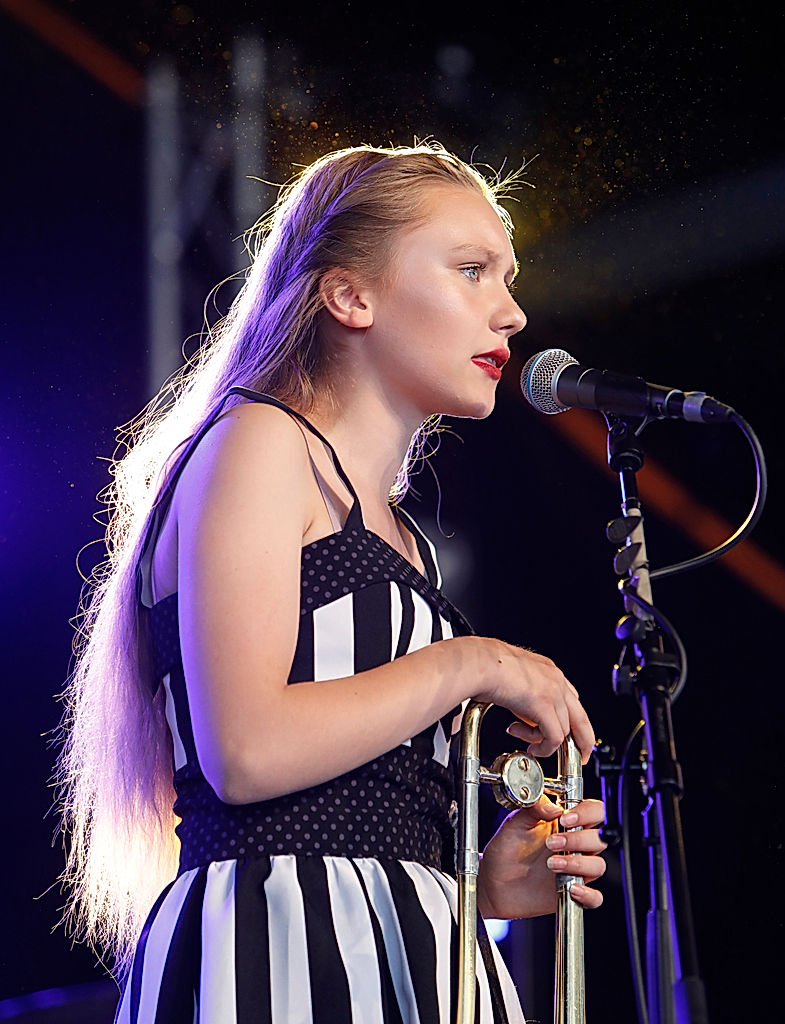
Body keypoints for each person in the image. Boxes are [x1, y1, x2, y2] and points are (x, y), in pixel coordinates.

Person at [57, 142, 607, 1023]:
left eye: (506, 278)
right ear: (350, 295)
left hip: (416, 960)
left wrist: (480, 881)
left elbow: (357, 808)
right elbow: (246, 750)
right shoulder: (260, 444)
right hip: (272, 954)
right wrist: (475, 664)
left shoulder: (403, 540)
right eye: (472, 271)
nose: (510, 314)